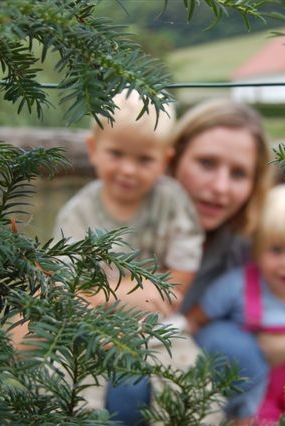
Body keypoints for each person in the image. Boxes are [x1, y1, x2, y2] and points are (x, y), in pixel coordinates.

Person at [106, 99, 285, 424]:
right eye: (206, 163)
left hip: (198, 381)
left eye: (238, 174)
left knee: (235, 349)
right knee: (129, 384)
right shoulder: (117, 223)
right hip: (112, 362)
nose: (220, 187)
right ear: (172, 160)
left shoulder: (252, 249)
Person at [52, 90, 205, 424]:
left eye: (144, 160)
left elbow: (175, 287)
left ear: (165, 160)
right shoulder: (77, 214)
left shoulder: (173, 203)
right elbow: (69, 292)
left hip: (161, 327)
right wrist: (137, 290)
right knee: (65, 387)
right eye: (116, 154)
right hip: (89, 329)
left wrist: (107, 293)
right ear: (94, 149)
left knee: (190, 389)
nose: (128, 170)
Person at [187, 183, 285, 425]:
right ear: (258, 248)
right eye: (276, 250)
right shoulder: (237, 286)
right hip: (248, 388)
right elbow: (196, 320)